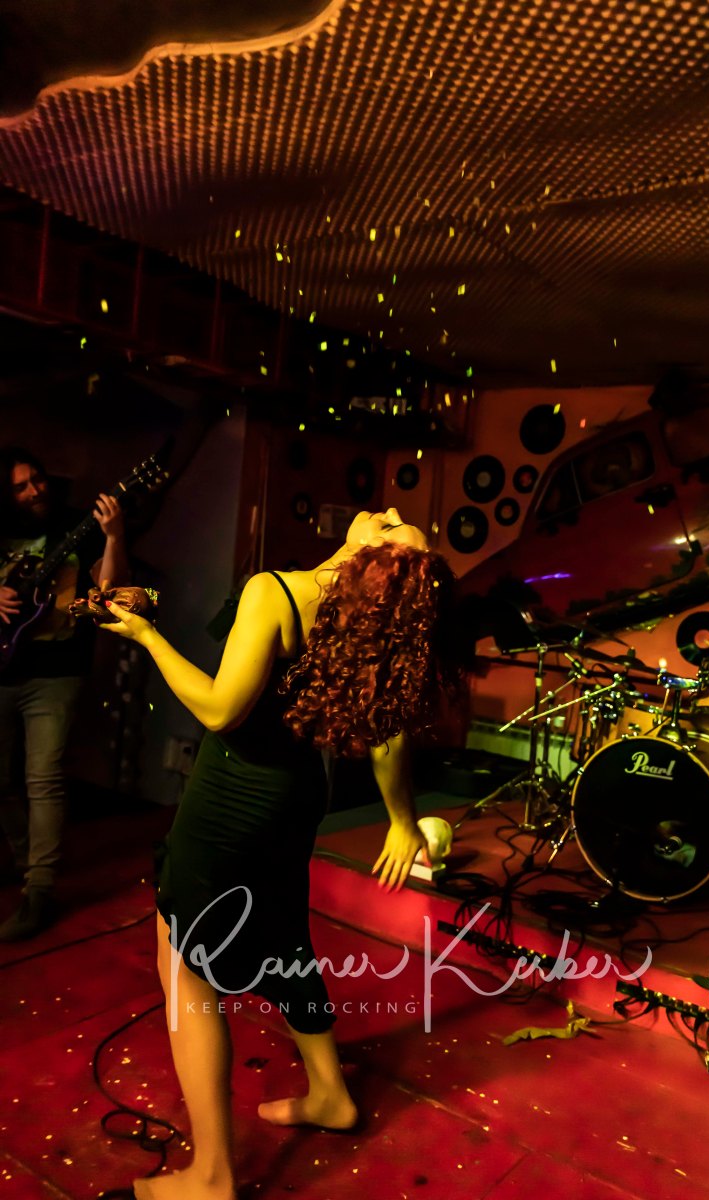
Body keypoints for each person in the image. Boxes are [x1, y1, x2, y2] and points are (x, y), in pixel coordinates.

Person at [97, 506, 464, 1200]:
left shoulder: (278, 592)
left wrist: (147, 636)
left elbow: (219, 710)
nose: (388, 511)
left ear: (368, 561)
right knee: (285, 939)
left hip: (232, 800)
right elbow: (388, 735)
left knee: (185, 961)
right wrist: (400, 820)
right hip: (298, 800)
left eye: (392, 528)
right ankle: (330, 1094)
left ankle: (211, 1176)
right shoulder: (367, 617)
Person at [0, 446, 129, 939]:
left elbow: (111, 590)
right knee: (1, 779)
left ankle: (40, 891)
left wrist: (114, 535)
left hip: (56, 672)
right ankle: (25, 860)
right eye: (20, 486)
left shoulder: (77, 525)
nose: (35, 490)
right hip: (2, 671)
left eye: (37, 479)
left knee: (44, 777)